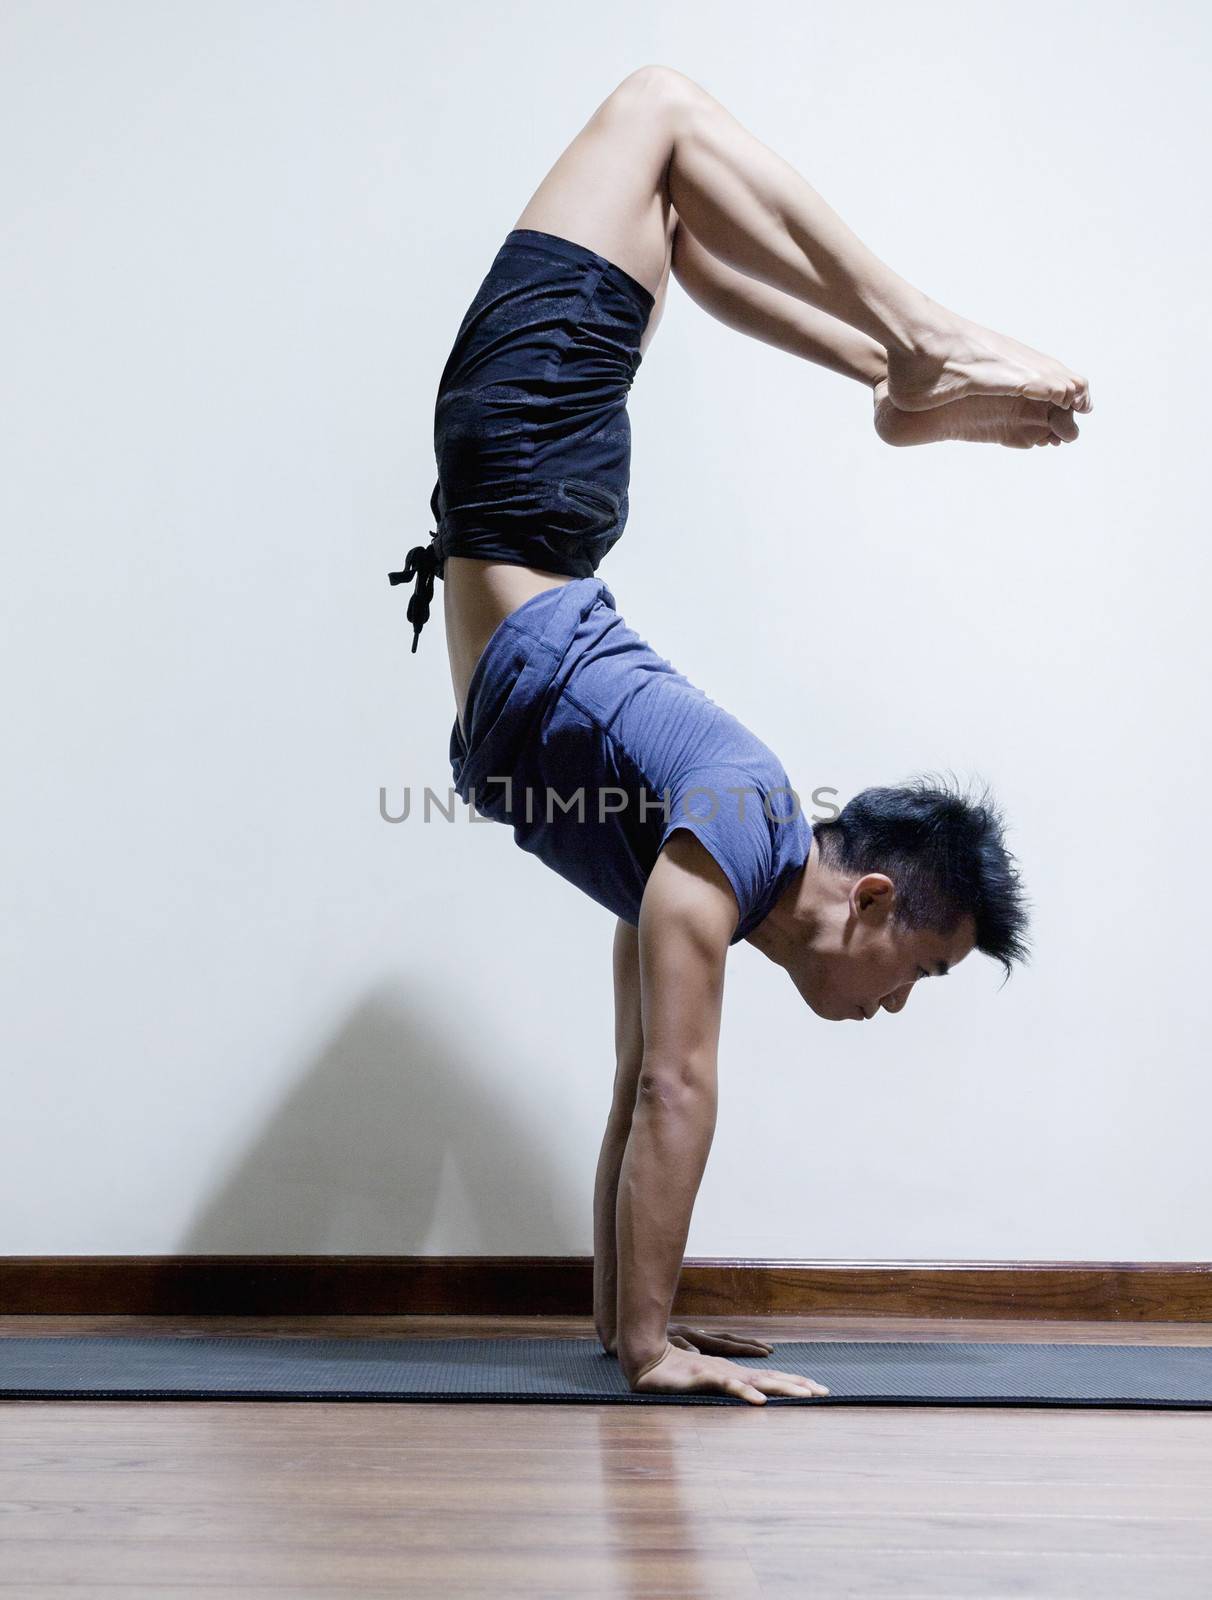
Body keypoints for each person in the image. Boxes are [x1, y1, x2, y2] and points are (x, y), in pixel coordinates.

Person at [390, 66, 1087, 1406]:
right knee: (657, 107)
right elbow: (675, 1092)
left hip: (539, 498)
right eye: (920, 973)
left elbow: (631, 1087)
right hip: (525, 470)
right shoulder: (742, 821)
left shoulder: (704, 868)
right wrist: (660, 1354)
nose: (895, 1006)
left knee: (685, 217)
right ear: (874, 898)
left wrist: (632, 1326)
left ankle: (892, 376)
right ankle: (916, 341)